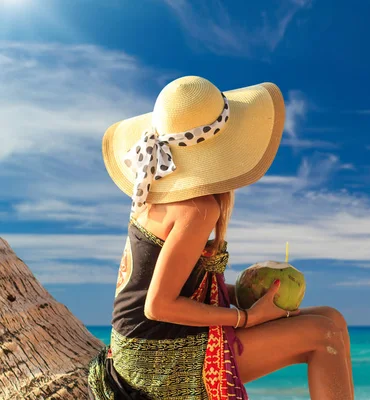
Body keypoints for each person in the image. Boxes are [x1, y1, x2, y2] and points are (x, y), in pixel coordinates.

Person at [87, 76, 354, 400]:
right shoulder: (198, 209)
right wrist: (246, 317)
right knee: (322, 333)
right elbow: (158, 305)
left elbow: (176, 284)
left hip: (134, 347)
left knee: (332, 318)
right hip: (155, 362)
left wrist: (249, 294)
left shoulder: (156, 189)